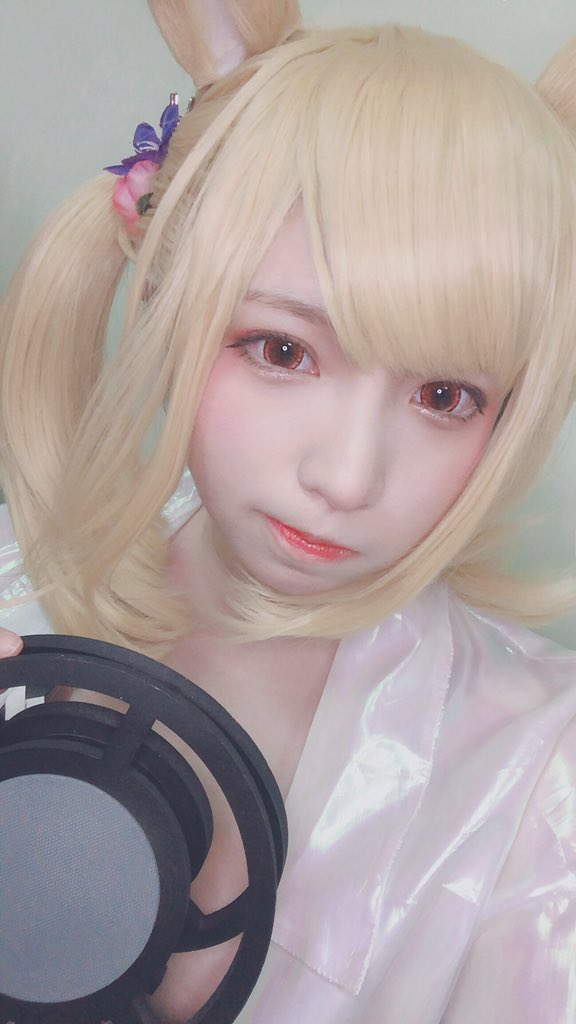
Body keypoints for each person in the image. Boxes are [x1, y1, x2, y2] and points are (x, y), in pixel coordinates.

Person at [1, 1, 576, 1020]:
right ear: (173, 303)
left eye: (446, 396)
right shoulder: (14, 593)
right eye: (282, 350)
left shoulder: (543, 771)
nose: (347, 477)